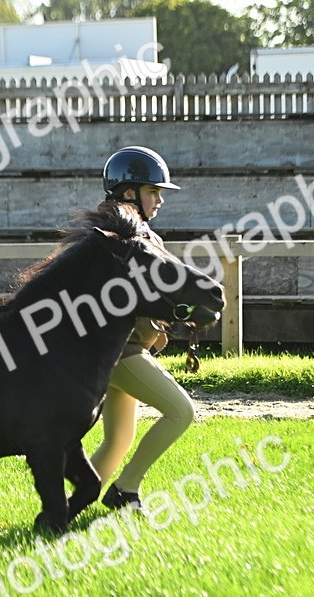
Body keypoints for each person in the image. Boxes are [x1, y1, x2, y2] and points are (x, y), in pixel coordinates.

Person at [90, 146, 197, 512]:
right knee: (181, 412)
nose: (160, 199)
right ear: (128, 192)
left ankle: (72, 502)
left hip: (129, 349)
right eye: (154, 191)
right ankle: (125, 491)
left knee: (119, 440)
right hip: (121, 351)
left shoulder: (140, 235)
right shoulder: (116, 239)